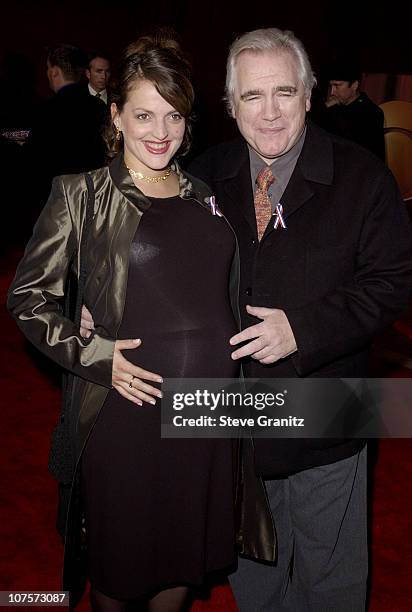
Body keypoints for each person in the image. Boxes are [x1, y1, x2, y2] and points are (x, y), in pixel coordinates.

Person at [8, 34, 241, 611]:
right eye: (143, 114)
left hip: (206, 412)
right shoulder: (81, 195)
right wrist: (94, 354)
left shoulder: (205, 196)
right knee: (123, 561)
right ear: (116, 115)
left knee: (181, 557)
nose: (160, 131)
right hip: (125, 410)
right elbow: (28, 297)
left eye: (174, 115)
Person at [187, 28, 412, 611]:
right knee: (252, 571)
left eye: (284, 92)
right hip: (228, 408)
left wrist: (303, 329)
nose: (269, 113)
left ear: (310, 96)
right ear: (230, 104)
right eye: (252, 96)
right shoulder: (201, 178)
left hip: (333, 401)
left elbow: (394, 284)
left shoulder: (365, 178)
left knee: (330, 581)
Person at [25, 44, 107, 215]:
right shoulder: (99, 107)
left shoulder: (44, 111)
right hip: (93, 204)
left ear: (54, 71)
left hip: (54, 207)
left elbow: (32, 164)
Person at [316, 58, 385, 160]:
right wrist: (324, 109)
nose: (332, 92)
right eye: (331, 86)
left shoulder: (371, 113)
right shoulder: (331, 108)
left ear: (354, 85)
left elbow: (362, 151)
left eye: (337, 86)